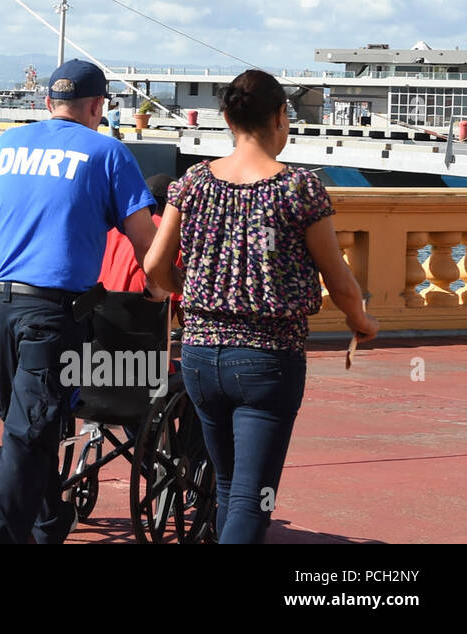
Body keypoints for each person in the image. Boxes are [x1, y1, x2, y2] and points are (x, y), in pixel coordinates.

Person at [144, 69, 380, 544]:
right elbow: (338, 277)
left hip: (200, 357)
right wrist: (362, 322)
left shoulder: (192, 182)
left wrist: (193, 289)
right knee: (253, 503)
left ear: (228, 118)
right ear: (280, 117)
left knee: (230, 489)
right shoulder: (298, 188)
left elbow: (154, 268)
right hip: (267, 359)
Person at [0, 59, 169, 544]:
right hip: (51, 314)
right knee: (28, 432)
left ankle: (49, 521)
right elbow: (145, 242)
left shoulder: (7, 143)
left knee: (26, 419)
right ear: (97, 106)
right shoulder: (108, 153)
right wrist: (158, 289)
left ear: (48, 103)